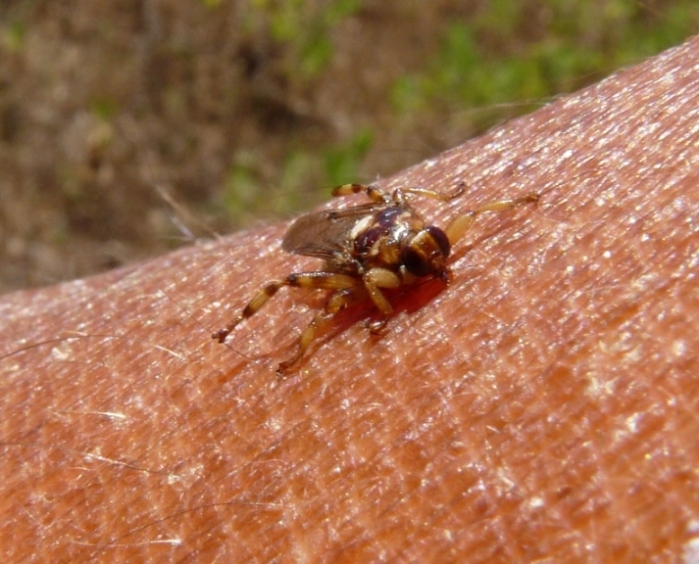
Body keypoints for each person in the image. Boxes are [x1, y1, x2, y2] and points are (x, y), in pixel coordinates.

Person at [1, 36, 698, 562]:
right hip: (346, 247)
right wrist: (366, 316)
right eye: (419, 256)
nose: (433, 259)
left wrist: (492, 205)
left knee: (399, 205)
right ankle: (252, 337)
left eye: (432, 245)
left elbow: (451, 214)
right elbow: (365, 284)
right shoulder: (373, 269)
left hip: (380, 226)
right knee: (287, 288)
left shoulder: (423, 231)